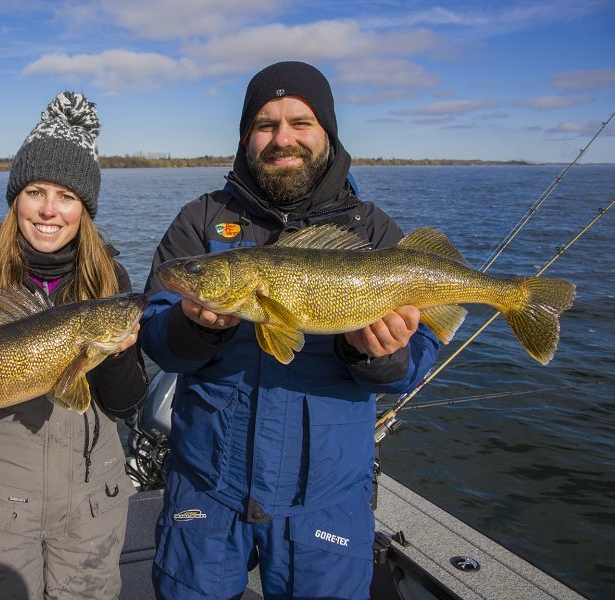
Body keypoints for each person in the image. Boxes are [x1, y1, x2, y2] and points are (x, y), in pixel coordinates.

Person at [139, 62, 440, 599]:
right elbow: (154, 334)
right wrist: (193, 331)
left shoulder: (372, 231)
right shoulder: (202, 221)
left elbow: (417, 358)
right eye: (265, 124)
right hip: (208, 488)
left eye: (300, 122)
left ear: (326, 132)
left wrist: (379, 355)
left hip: (325, 498)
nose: (283, 139)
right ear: (245, 137)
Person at [0, 91, 148, 599]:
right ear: (16, 199)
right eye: (36, 191)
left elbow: (124, 402)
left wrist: (115, 353)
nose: (50, 210)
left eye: (67, 197)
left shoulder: (109, 278)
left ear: (85, 208)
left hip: (90, 505)